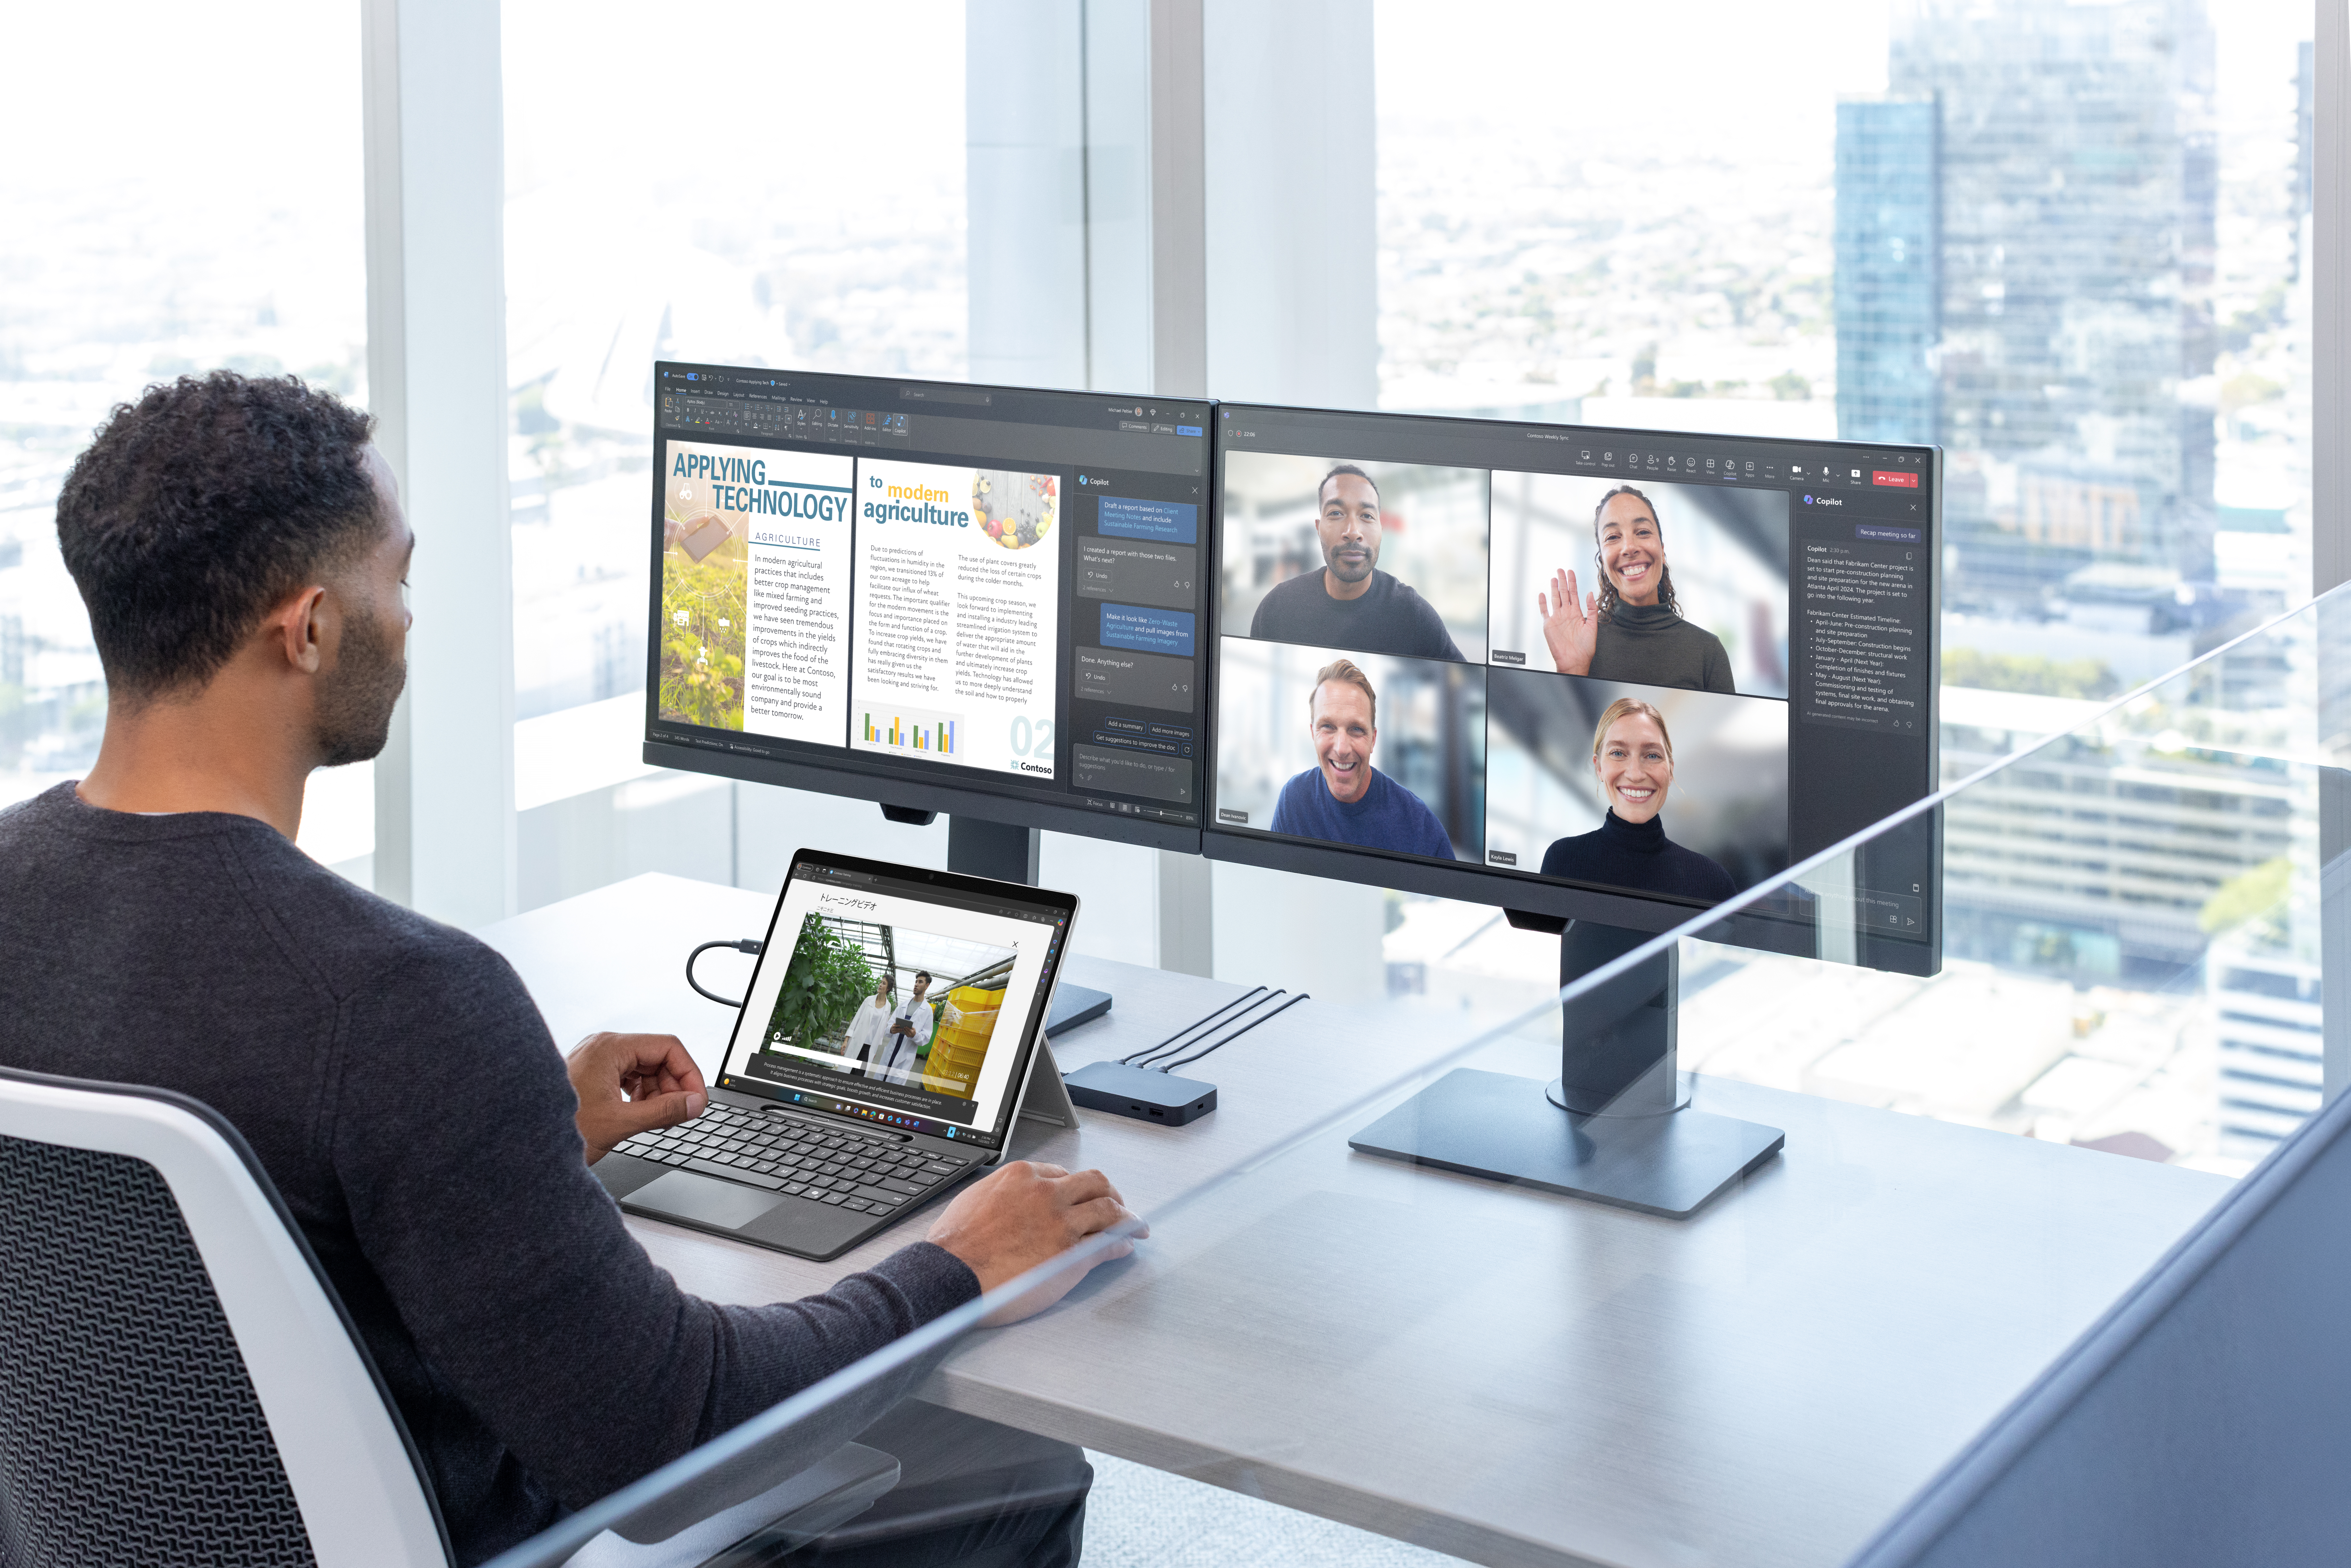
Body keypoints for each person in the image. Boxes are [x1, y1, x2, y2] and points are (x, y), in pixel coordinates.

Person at [0, 372, 1139, 1568]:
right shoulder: (403, 1001)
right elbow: (672, 1434)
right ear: (311, 628)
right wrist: (954, 1268)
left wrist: (501, 1135)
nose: (406, 616)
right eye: (397, 578)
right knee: (1017, 1471)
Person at [1248, 464, 1466, 661]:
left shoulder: (1413, 616)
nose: (1353, 532)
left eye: (1367, 516)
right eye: (1336, 513)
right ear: (1318, 528)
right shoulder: (1277, 608)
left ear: (1381, 529)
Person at [1537, 485, 1735, 692]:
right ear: (1603, 560)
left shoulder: (1707, 651)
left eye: (1642, 532)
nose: (1629, 547)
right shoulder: (1583, 643)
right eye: (1613, 537)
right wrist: (1574, 671)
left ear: (1662, 550)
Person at [1541, 698, 1736, 901]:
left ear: (1670, 770)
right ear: (1599, 768)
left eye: (1652, 756)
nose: (1636, 774)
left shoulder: (1712, 882)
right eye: (1618, 753)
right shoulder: (1563, 862)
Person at [1268, 658, 1455, 860]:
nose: (1341, 749)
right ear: (1313, 733)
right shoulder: (1294, 801)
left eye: (1356, 730)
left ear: (1373, 740)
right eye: (1328, 727)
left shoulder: (1421, 828)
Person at [873, 971, 936, 1086]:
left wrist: (915, 1035)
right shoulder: (903, 1005)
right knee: (878, 1083)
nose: (916, 984)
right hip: (891, 1052)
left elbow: (926, 1038)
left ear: (927, 986)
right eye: (916, 982)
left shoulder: (927, 1011)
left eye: (920, 982)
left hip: (905, 1058)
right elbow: (888, 1027)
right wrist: (892, 1029)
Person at [842, 971, 896, 1076]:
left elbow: (882, 1029)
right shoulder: (869, 1000)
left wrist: (876, 1049)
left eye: (884, 984)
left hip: (869, 1047)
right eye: (881, 982)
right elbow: (857, 1019)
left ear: (888, 988)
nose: (880, 985)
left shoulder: (888, 1007)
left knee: (860, 1075)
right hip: (857, 1041)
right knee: (849, 1071)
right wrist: (847, 1039)